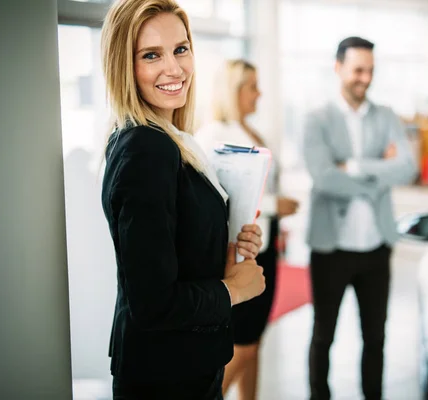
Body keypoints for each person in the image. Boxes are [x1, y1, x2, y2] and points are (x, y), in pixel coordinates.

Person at [99, 1, 267, 399]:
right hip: (165, 378)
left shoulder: (170, 138)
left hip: (183, 367)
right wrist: (235, 289)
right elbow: (153, 302)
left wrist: (228, 243)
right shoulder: (146, 147)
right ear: (124, 65)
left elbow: (174, 248)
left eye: (181, 49)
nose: (173, 69)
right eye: (151, 55)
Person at [302, 36, 418, 400]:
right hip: (331, 248)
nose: (365, 78)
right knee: (324, 335)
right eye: (357, 70)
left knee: (376, 338)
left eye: (370, 70)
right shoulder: (316, 119)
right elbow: (323, 176)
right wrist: (378, 177)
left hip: (376, 248)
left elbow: (408, 167)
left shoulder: (386, 116)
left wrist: (354, 166)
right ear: (338, 68)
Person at [195, 59, 299, 400]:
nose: (259, 93)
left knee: (256, 341)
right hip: (237, 252)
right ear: (233, 91)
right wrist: (273, 206)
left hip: (264, 245)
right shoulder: (213, 135)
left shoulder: (251, 130)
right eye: (252, 86)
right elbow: (219, 195)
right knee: (244, 345)